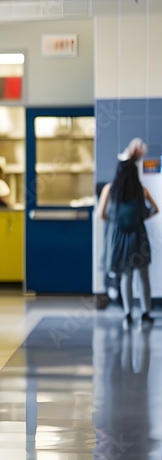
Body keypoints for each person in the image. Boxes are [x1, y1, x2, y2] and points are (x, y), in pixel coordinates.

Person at [98, 138, 158, 326]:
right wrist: (140, 218)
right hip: (138, 235)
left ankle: (128, 313)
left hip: (120, 236)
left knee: (126, 275)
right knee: (143, 275)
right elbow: (156, 209)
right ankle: (146, 312)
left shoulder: (110, 189)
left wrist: (116, 222)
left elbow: (102, 214)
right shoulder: (141, 190)